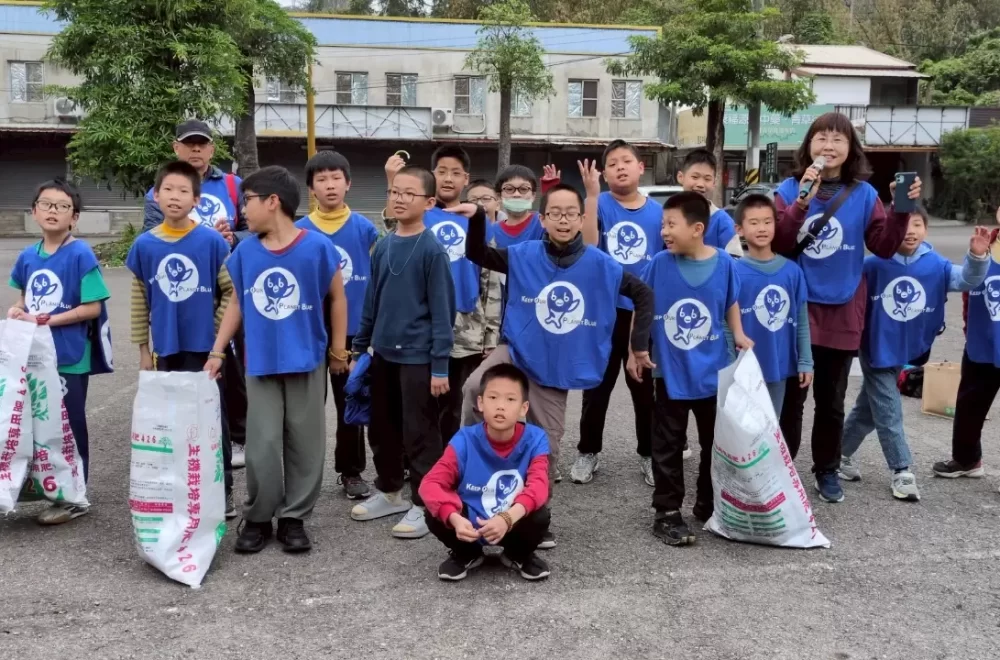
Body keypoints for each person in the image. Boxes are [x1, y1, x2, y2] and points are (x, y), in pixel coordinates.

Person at [460, 182, 655, 549]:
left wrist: (638, 345)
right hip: (516, 350)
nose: (563, 220)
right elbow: (477, 254)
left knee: (546, 443)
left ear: (582, 219)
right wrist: (475, 220)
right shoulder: (523, 253)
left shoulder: (601, 264)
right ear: (543, 218)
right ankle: (475, 469)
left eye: (570, 213)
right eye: (555, 213)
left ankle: (536, 518)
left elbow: (644, 294)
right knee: (474, 389)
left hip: (555, 366)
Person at [772, 111, 921, 504]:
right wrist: (803, 199)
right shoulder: (787, 190)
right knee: (791, 399)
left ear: (851, 149)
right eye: (821, 138)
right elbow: (781, 243)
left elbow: (885, 247)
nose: (829, 146)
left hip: (843, 310)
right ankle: (781, 469)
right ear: (808, 146)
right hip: (795, 312)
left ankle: (826, 469)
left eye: (839, 139)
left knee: (832, 401)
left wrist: (900, 209)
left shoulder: (865, 195)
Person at [204, 166, 348, 554]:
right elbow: (237, 301)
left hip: (307, 361)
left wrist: (338, 351)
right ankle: (258, 516)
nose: (242, 211)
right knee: (262, 446)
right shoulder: (246, 250)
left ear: (273, 202)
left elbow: (337, 298)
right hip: (261, 363)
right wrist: (218, 351)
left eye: (247, 202)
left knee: (306, 444)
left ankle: (294, 517)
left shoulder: (317, 247)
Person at [630, 191, 752, 546]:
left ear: (698, 228)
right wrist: (634, 350)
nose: (664, 231)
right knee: (667, 444)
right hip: (669, 371)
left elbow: (731, 302)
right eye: (662, 224)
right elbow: (641, 309)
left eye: (671, 224)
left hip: (714, 371)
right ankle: (667, 512)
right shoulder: (658, 264)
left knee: (714, 443)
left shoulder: (726, 264)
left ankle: (708, 502)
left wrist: (740, 334)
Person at [842, 214, 989, 500]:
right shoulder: (872, 266)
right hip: (876, 350)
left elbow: (967, 280)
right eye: (904, 226)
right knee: (888, 410)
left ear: (926, 229)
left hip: (908, 349)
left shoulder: (936, 265)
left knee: (868, 411)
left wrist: (977, 255)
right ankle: (901, 470)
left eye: (917, 225)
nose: (910, 232)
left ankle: (836, 456)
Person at [349, 165, 456, 540]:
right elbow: (370, 301)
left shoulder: (432, 250)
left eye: (409, 193)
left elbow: (444, 313)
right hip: (383, 356)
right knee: (382, 428)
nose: (399, 198)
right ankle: (391, 491)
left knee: (420, 433)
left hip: (419, 358)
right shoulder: (383, 245)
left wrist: (440, 366)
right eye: (395, 191)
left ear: (428, 202)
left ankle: (425, 503)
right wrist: (360, 346)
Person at [127, 161, 236, 518]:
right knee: (171, 423)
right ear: (156, 196)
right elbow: (139, 298)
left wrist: (218, 342)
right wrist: (144, 350)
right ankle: (180, 490)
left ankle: (222, 493)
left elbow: (230, 293)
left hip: (205, 351)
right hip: (165, 350)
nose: (175, 197)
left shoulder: (210, 242)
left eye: (183, 191)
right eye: (168, 190)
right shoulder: (144, 245)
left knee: (212, 421)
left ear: (197, 199)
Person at [143, 118, 249, 472]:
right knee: (194, 373)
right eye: (189, 144)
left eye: (202, 144)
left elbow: (256, 230)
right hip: (184, 297)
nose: (196, 150)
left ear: (212, 149)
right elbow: (152, 242)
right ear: (176, 148)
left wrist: (233, 238)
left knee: (230, 369)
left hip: (231, 291)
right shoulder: (158, 193)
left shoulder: (233, 186)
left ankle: (237, 438)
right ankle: (186, 451)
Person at [8, 179, 111, 525]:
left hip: (69, 354)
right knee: (38, 422)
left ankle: (75, 496)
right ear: (34, 211)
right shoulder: (27, 256)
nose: (53, 211)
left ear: (74, 217)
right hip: (35, 355)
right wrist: (17, 311)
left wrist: (49, 319)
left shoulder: (80, 253)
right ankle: (44, 486)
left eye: (62, 206)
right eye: (47, 204)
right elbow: (23, 298)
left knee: (70, 423)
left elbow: (93, 306)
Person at [386, 147, 496, 447]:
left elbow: (491, 280)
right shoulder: (418, 215)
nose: (448, 178)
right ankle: (416, 459)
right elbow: (391, 240)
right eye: (442, 171)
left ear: (466, 179)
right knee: (417, 398)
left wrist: (490, 334)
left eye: (456, 173)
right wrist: (394, 182)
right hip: (421, 325)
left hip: (465, 326)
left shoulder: (478, 221)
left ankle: (448, 459)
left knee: (454, 403)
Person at [572, 139, 660, 487]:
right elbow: (590, 246)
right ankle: (588, 451)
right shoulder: (600, 204)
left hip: (643, 312)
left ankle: (650, 454)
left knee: (644, 388)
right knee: (597, 386)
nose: (620, 167)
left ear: (641, 168)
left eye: (627, 161)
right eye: (612, 163)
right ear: (604, 174)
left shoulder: (657, 212)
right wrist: (591, 197)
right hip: (605, 313)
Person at [295, 151, 378, 500]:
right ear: (311, 187)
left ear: (348, 183)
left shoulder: (365, 228)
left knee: (351, 404)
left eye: (335, 178)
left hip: (354, 333)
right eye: (321, 179)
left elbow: (375, 279)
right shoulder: (299, 230)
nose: (329, 185)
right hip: (311, 331)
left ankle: (351, 471)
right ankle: (302, 474)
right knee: (307, 409)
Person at [420, 363, 552, 581]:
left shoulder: (536, 438)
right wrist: (453, 518)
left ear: (524, 408)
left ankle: (517, 554)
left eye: (510, 399)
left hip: (512, 521)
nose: (500, 406)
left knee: (540, 515)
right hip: (470, 523)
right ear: (480, 402)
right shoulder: (464, 439)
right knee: (434, 510)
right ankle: (467, 553)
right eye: (493, 398)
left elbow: (539, 485)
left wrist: (507, 518)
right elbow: (431, 484)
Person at [732, 193, 813, 417]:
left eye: (768, 222)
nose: (762, 228)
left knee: (770, 426)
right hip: (743, 367)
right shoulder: (734, 272)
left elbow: (802, 320)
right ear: (739, 229)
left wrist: (806, 361)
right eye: (754, 222)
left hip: (779, 365)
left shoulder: (792, 271)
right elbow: (726, 323)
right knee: (743, 427)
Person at [937, 225, 1000, 480]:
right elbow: (969, 290)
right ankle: (967, 459)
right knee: (970, 403)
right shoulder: (986, 241)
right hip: (983, 339)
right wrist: (967, 326)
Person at [675, 149, 741, 256]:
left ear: (714, 182)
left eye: (707, 179)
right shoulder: (667, 216)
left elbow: (735, 262)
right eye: (695, 177)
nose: (700, 184)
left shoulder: (722, 222)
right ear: (680, 177)